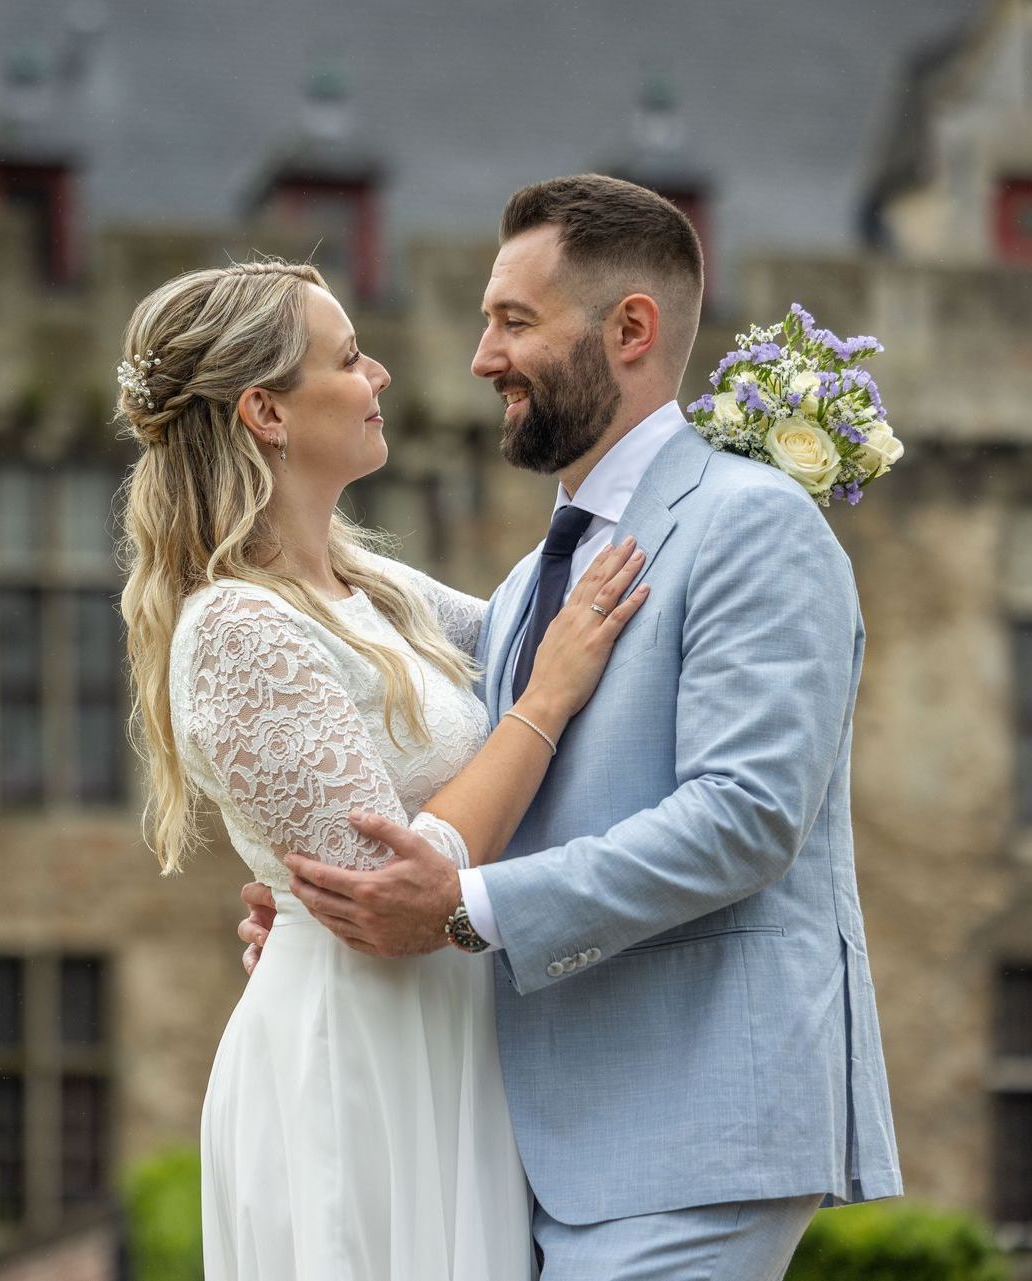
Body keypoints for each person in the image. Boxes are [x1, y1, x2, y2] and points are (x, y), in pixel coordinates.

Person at [240, 175, 903, 1281]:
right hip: (542, 1150)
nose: (478, 357)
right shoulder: (524, 586)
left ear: (629, 330)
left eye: (513, 322)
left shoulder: (753, 525)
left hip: (696, 1134)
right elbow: (457, 763)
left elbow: (745, 818)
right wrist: (332, 910)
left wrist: (458, 910)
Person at [113, 259, 654, 1281]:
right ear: (265, 412)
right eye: (350, 357)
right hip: (353, 1057)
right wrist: (540, 704)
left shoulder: (370, 586)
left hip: (447, 1040)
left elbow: (572, 634)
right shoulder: (236, 625)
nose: (383, 375)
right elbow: (397, 888)